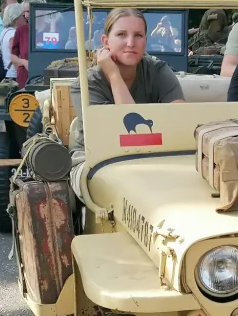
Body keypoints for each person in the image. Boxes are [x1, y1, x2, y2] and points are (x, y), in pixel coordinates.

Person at [69, 9, 185, 188]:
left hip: (155, 155)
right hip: (94, 159)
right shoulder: (87, 83)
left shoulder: (158, 71)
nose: (131, 43)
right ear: (106, 42)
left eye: (138, 35)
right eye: (121, 34)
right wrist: (114, 75)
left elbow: (180, 121)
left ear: (145, 41)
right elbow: (124, 137)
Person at [9, 0, 44, 88]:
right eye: (24, 12)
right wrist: (24, 62)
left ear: (39, 9)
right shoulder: (21, 30)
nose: (26, 15)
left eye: (28, 11)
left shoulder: (51, 29)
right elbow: (13, 56)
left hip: (46, 77)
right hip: (25, 79)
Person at [0, 2, 24, 80]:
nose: (25, 18)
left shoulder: (4, 31)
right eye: (22, 15)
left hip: (9, 72)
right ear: (16, 19)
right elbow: (15, 56)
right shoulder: (13, 34)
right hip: (15, 75)